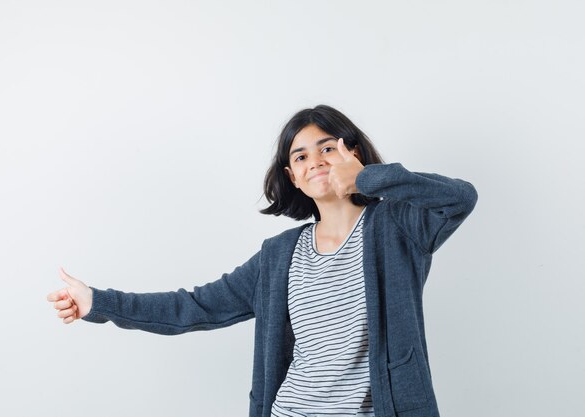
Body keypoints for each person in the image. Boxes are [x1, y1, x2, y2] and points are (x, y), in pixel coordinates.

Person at [47, 104, 478, 417]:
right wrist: (97, 303)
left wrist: (367, 179)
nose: (316, 162)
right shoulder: (279, 258)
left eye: (327, 149)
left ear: (352, 152)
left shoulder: (397, 227)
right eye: (301, 156)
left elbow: (459, 198)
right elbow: (195, 306)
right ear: (292, 176)